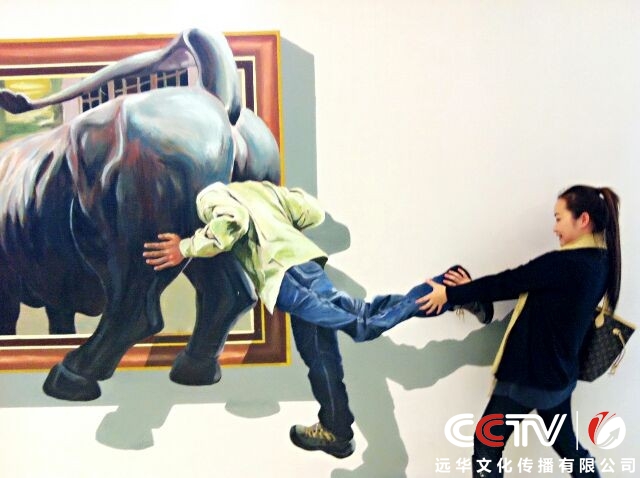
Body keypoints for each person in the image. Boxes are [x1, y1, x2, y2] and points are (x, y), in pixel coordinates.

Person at [143, 179, 493, 458]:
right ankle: (336, 430)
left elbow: (233, 221)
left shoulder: (210, 195)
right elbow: (311, 211)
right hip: (305, 266)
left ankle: (452, 289)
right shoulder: (262, 190)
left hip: (286, 276)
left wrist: (184, 248)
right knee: (320, 356)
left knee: (363, 323)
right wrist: (276, 223)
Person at [417, 185, 620, 478]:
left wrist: (449, 294)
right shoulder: (601, 263)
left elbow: (508, 282)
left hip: (529, 378)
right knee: (570, 450)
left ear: (583, 219)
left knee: (486, 446)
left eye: (559, 218)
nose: (554, 227)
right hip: (560, 378)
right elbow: (523, 287)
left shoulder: (563, 264)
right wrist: (469, 290)